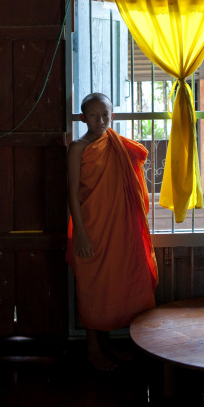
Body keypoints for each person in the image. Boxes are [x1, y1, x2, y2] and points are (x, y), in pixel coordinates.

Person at [66, 92, 158, 371]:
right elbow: (71, 194)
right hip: (90, 227)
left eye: (105, 114)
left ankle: (106, 345)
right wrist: (80, 234)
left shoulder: (117, 144)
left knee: (112, 285)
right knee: (92, 287)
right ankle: (93, 349)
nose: (100, 120)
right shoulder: (78, 148)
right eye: (93, 115)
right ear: (83, 118)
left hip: (118, 227)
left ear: (112, 115)